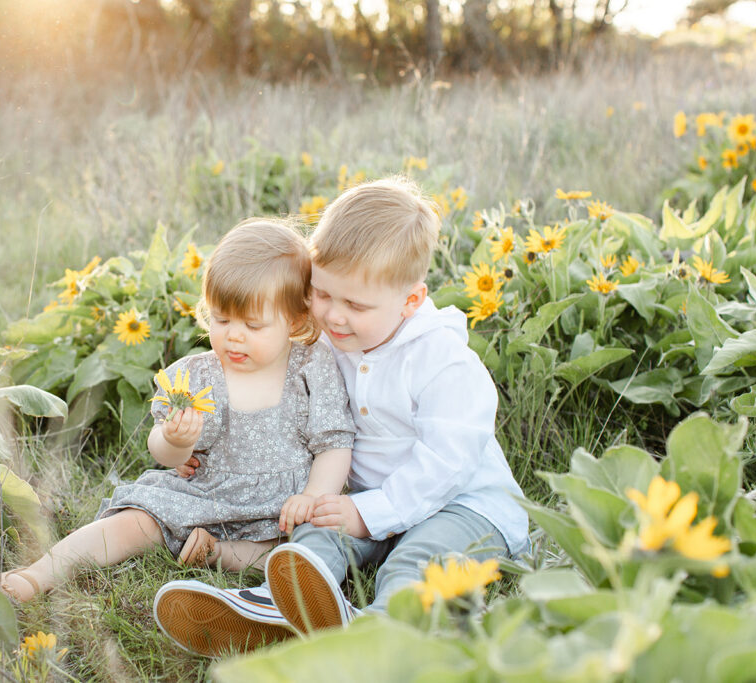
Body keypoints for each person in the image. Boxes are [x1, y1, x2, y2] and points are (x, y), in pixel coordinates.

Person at [154, 176, 529, 655]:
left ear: (410, 301)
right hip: (365, 500)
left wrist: (367, 513)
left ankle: (379, 635)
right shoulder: (328, 343)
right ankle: (271, 606)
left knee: (417, 562)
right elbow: (277, 399)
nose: (333, 316)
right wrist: (199, 444)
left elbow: (447, 464)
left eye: (355, 304)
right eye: (323, 294)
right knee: (315, 535)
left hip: (466, 506)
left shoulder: (444, 361)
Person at [0, 219, 355, 625]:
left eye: (253, 325)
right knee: (135, 522)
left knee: (305, 549)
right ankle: (38, 574)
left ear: (294, 320)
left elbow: (334, 442)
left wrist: (313, 495)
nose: (234, 336)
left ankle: (221, 555)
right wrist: (175, 440)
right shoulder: (196, 375)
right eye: (221, 320)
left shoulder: (311, 366)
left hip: (281, 508)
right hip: (204, 494)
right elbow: (163, 454)